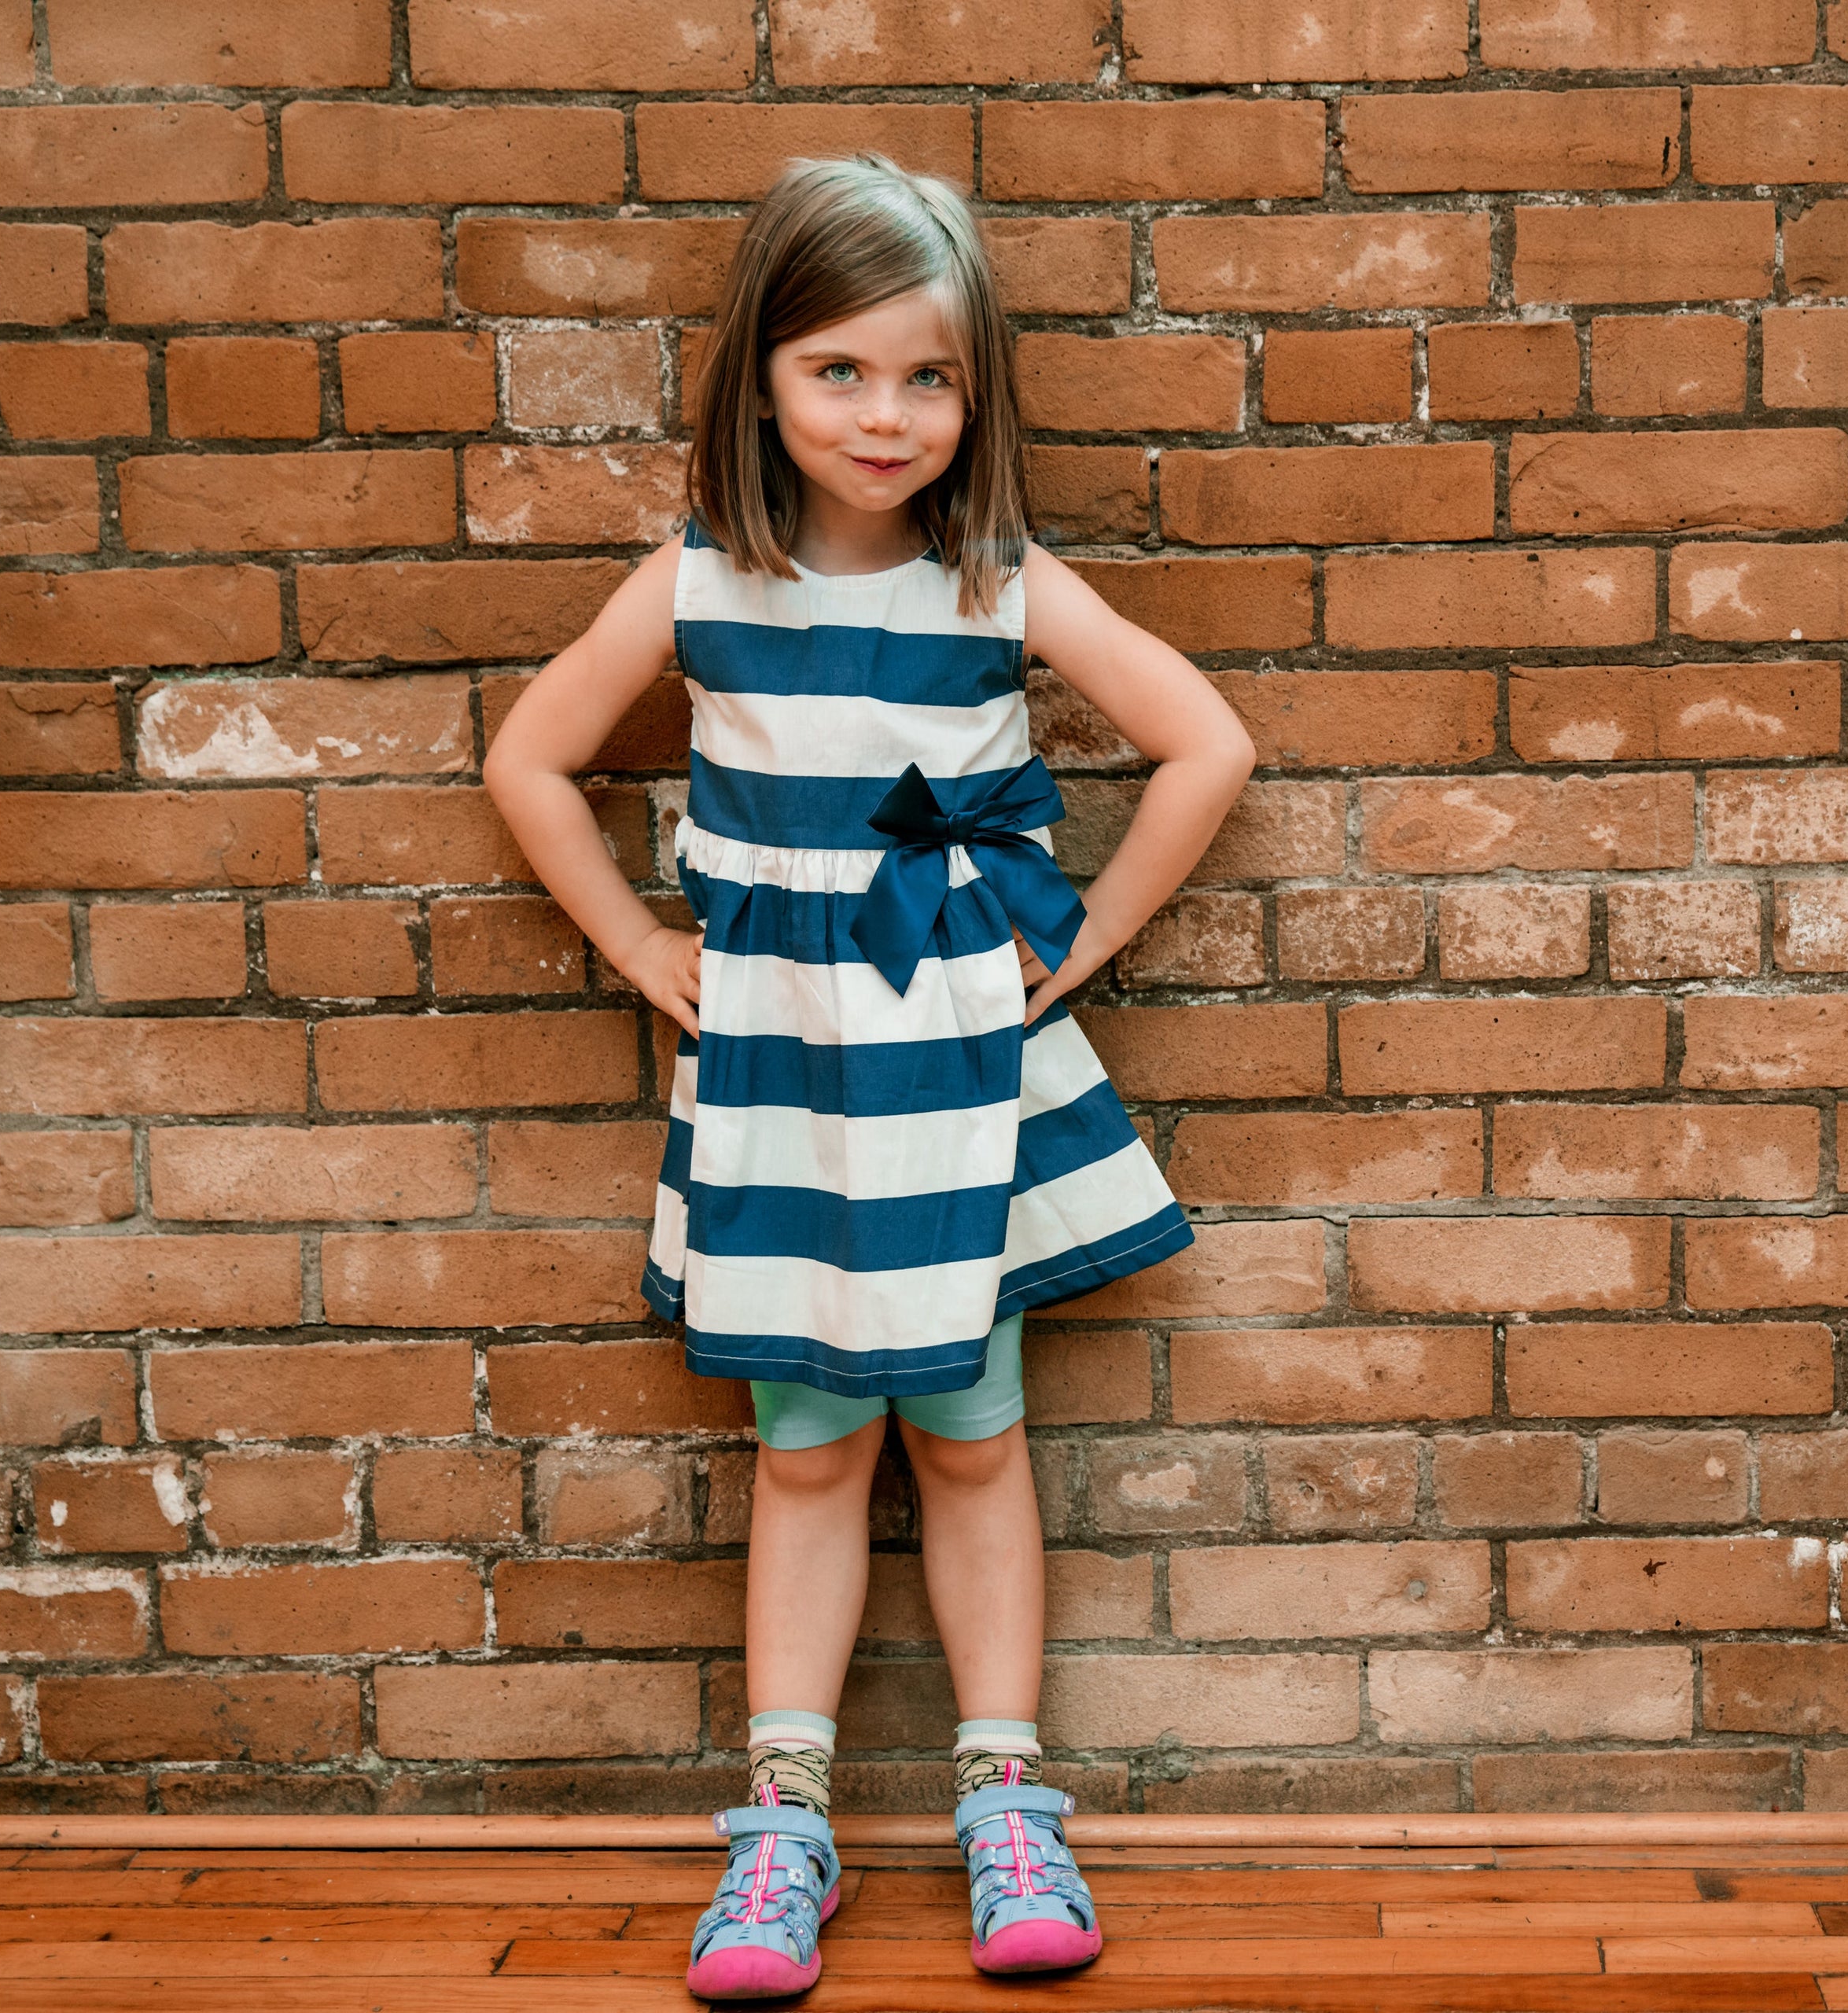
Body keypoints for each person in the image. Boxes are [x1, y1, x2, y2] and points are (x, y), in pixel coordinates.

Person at [483, 151, 1256, 2000]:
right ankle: (784, 1823)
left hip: (951, 1081)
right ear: (758, 373)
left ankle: (1006, 1797)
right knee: (808, 1448)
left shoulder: (998, 586)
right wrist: (641, 947)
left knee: (975, 1435)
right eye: (839, 370)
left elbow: (1204, 744)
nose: (884, 414)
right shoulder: (690, 588)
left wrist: (1073, 951)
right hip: (781, 1085)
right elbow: (528, 762)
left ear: (974, 393)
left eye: (927, 377)